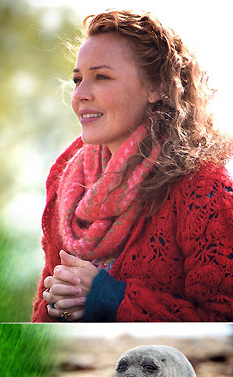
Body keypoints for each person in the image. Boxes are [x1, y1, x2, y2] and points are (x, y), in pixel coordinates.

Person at [32, 10, 233, 323]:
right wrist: (59, 307)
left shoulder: (203, 187)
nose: (80, 95)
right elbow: (44, 320)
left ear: (157, 87)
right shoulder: (65, 185)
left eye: (102, 77)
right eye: (77, 80)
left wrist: (109, 298)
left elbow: (223, 321)